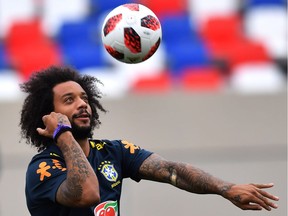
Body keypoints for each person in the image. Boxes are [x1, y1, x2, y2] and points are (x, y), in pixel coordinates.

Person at [20, 65, 279, 216]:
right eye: (69, 100)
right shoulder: (42, 170)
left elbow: (171, 170)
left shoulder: (114, 151)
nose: (82, 104)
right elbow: (87, 193)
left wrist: (226, 188)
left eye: (85, 98)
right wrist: (62, 134)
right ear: (47, 115)